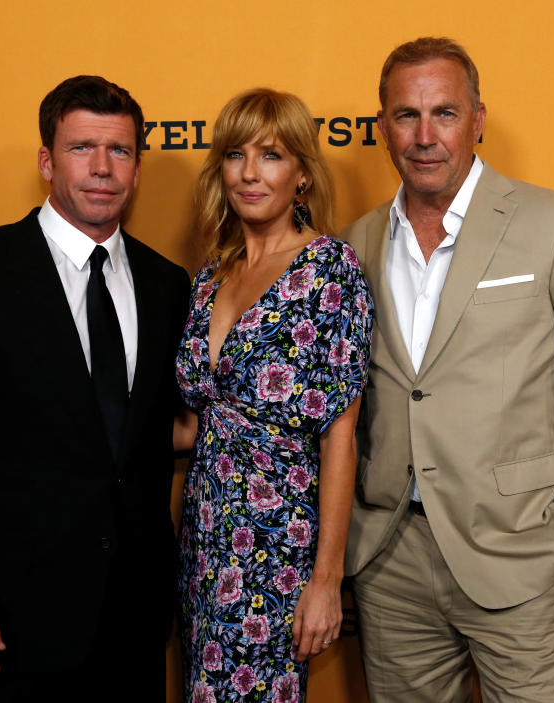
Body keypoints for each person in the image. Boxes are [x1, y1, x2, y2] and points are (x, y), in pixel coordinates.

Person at [342, 37, 554, 702]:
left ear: (478, 119)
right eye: (405, 115)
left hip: (519, 548)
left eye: (444, 113)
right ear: (382, 125)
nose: (424, 136)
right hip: (391, 561)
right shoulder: (355, 242)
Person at [0, 75, 190, 702]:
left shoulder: (168, 286)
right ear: (46, 161)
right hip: (12, 620)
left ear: (138, 168)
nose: (102, 168)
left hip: (136, 617)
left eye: (120, 151)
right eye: (82, 147)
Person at [172, 88, 373, 703]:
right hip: (203, 541)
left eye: (272, 155)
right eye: (235, 154)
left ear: (303, 176)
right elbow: (197, 425)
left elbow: (341, 435)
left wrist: (325, 580)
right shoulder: (211, 276)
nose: (250, 173)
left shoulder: (328, 271)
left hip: (277, 549)